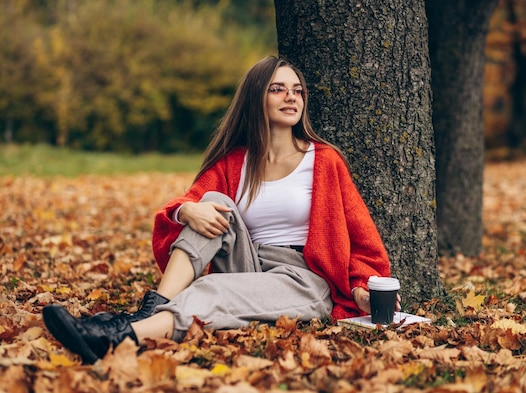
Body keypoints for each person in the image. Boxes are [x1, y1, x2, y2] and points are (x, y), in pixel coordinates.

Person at [42, 56, 394, 364]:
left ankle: (120, 338)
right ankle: (153, 308)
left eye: (297, 90)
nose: (291, 97)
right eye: (278, 89)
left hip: (303, 278)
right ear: (256, 98)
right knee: (212, 203)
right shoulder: (235, 164)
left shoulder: (323, 161)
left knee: (210, 290)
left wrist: (363, 287)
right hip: (248, 262)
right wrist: (187, 213)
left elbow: (361, 234)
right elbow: (182, 204)